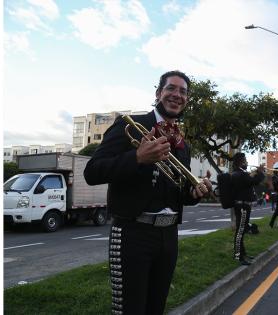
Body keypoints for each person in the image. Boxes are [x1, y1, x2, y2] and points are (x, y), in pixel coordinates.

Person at [83, 70, 213, 315]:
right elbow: (92, 172)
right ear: (158, 93)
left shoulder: (182, 143)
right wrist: (137, 157)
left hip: (169, 236)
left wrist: (194, 193)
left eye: (183, 92)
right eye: (171, 89)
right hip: (133, 233)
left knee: (156, 308)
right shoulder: (129, 124)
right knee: (130, 309)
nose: (177, 95)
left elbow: (178, 193)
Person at [230, 153, 265, 265]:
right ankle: (238, 256)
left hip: (243, 205)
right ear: (241, 162)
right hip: (242, 206)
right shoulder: (240, 174)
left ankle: (242, 253)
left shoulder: (240, 173)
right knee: (240, 231)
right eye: (245, 160)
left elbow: (250, 181)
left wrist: (257, 173)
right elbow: (254, 181)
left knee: (243, 230)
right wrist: (260, 172)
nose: (247, 162)